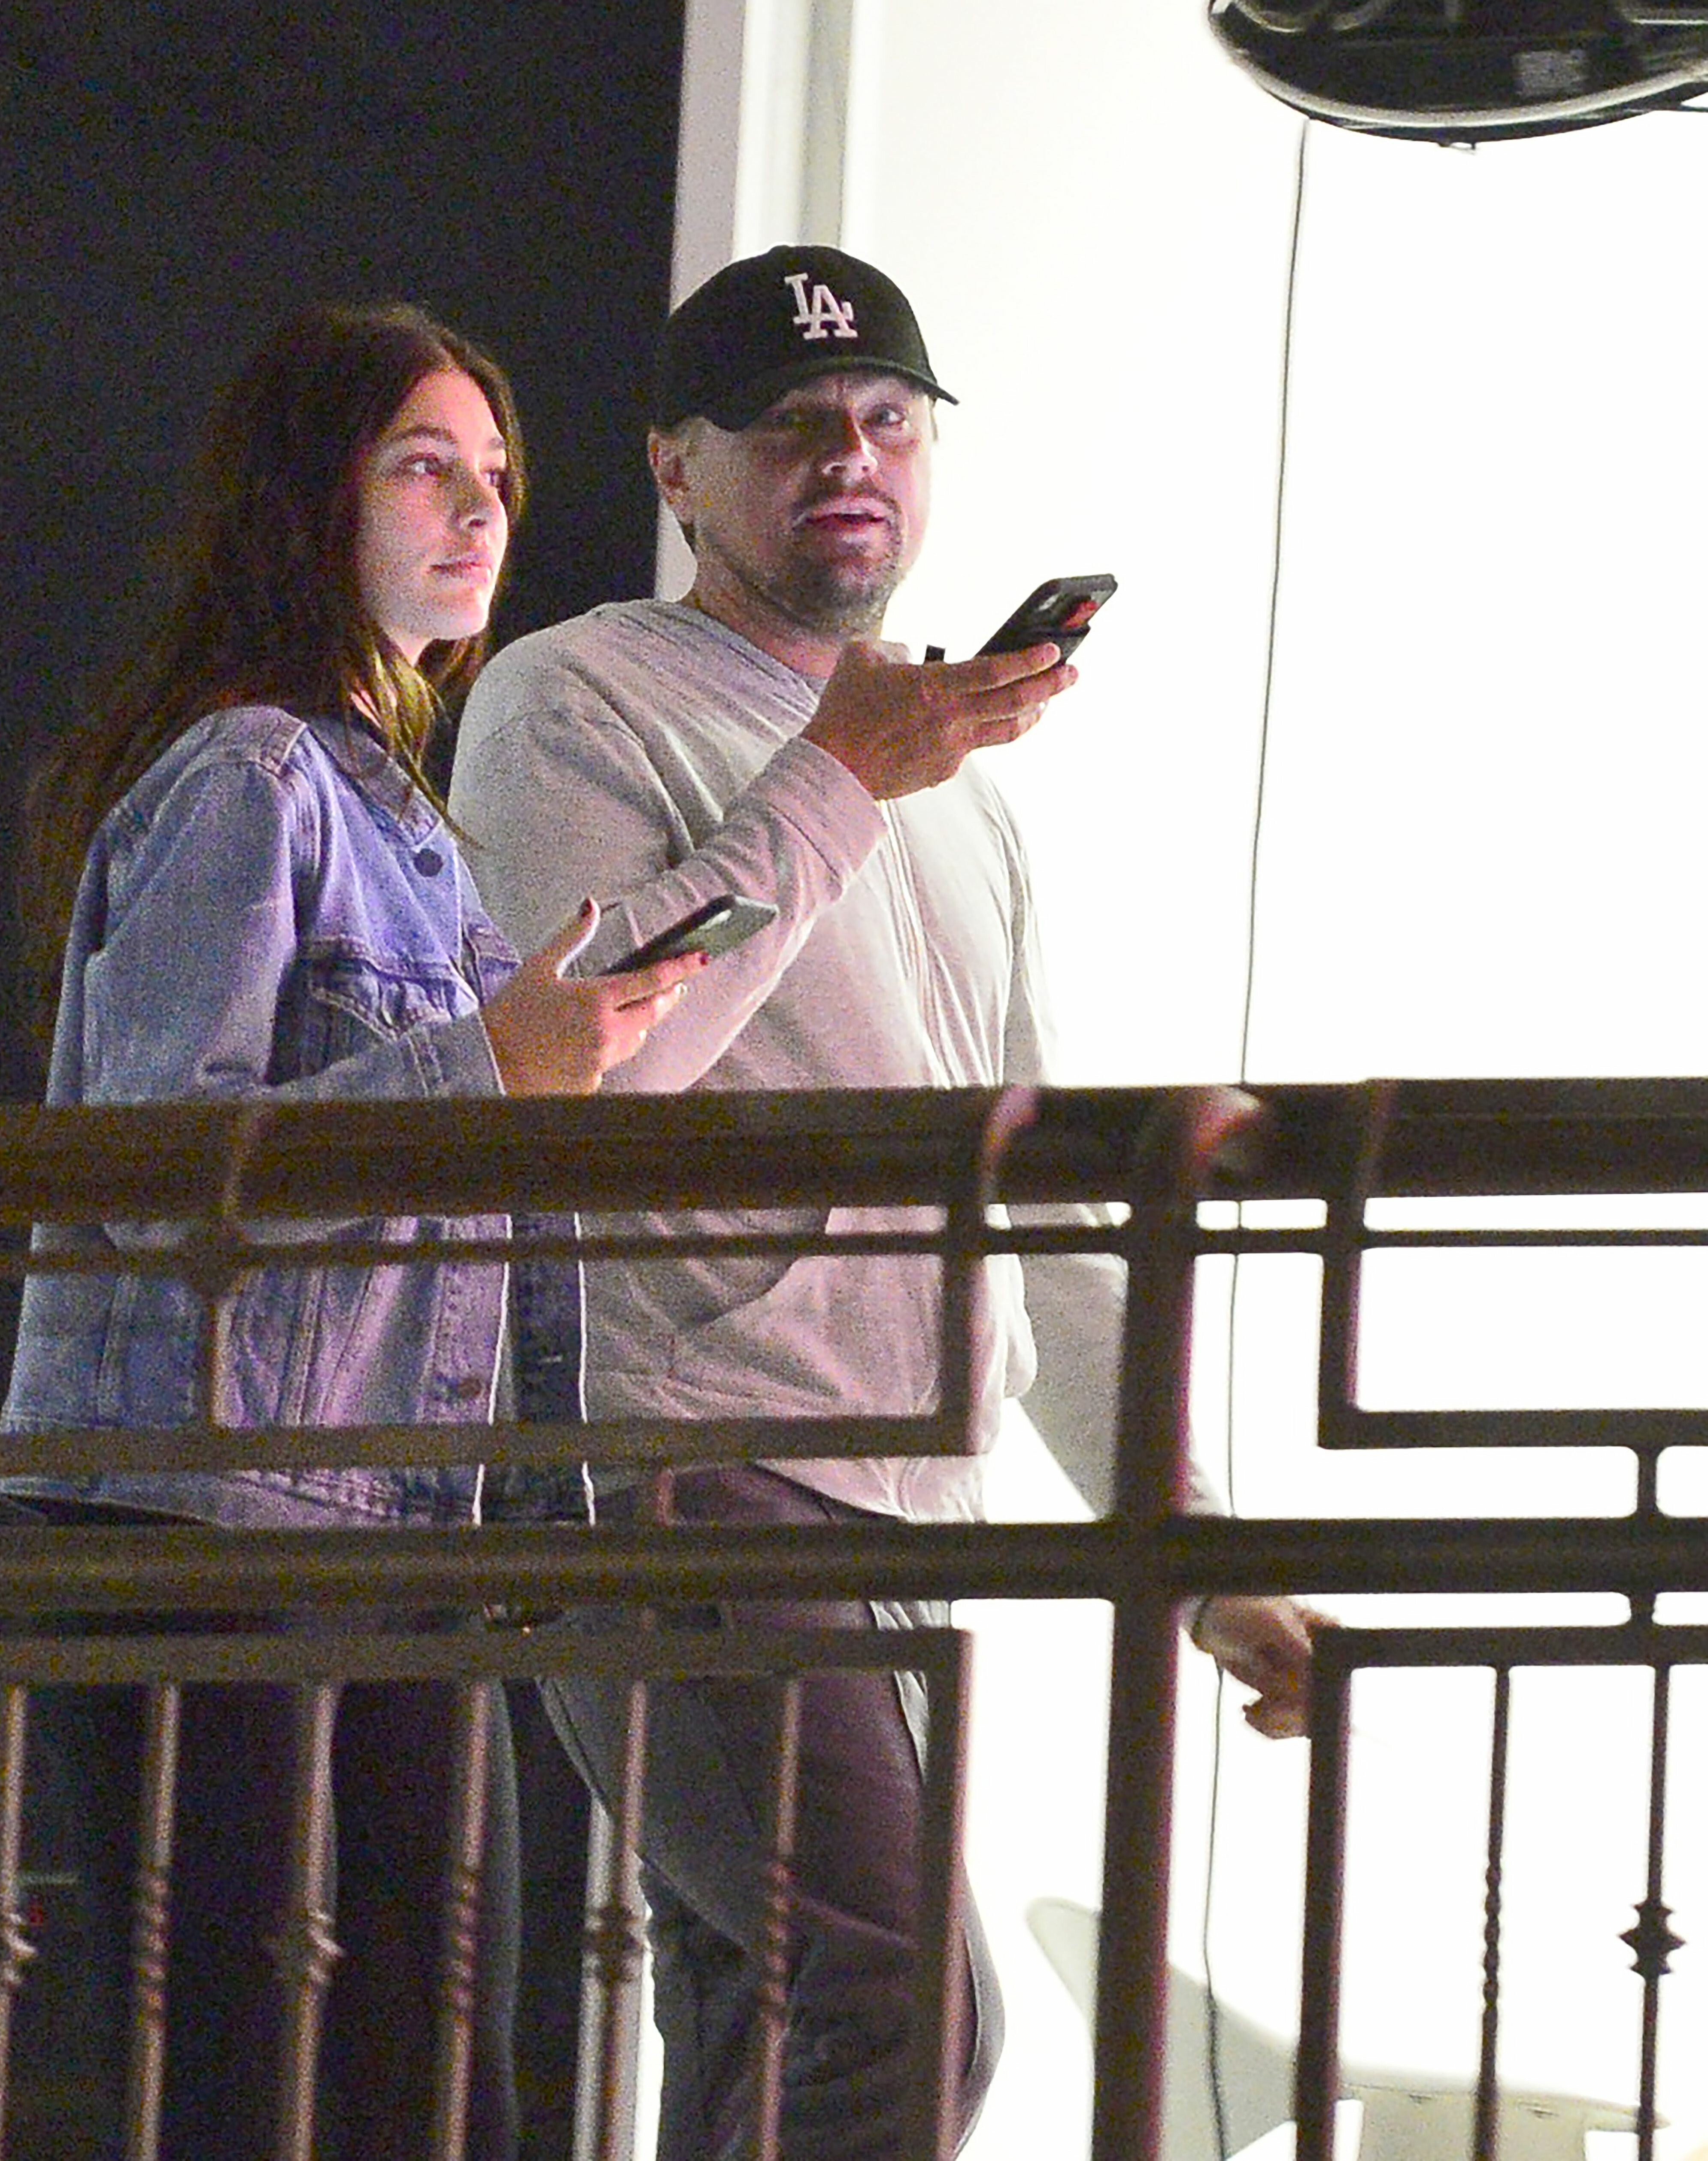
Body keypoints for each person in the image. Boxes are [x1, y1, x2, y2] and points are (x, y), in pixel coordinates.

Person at [447, 245, 1321, 2161]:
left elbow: (1042, 1202)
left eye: (889, 420)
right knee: (894, 2002)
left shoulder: (960, 794)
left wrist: (1193, 1543)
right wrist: (840, 774)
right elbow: (594, 1070)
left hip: (898, 1487)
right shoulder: (569, 696)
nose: (850, 457)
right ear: (676, 470)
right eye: (790, 426)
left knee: (781, 2016)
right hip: (676, 1460)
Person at [0, 299, 701, 2161]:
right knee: (272, 2083)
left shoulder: (404, 822)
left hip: (379, 1513)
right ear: (310, 496)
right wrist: (490, 1062)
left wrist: (533, 1066)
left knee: (423, 2081)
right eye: (422, 467)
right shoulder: (252, 774)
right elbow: (162, 1165)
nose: (479, 513)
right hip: (218, 1520)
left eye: (497, 478)